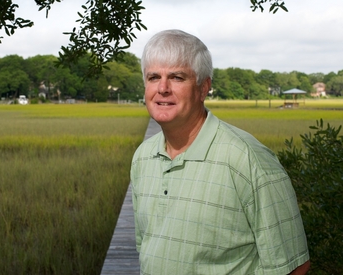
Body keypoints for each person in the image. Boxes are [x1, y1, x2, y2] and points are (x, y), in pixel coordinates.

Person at [130, 29, 310, 274]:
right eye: (153, 77)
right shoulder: (143, 157)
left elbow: (293, 266)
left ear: (203, 88)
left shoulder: (247, 159)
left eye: (177, 77)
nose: (162, 88)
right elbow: (147, 246)